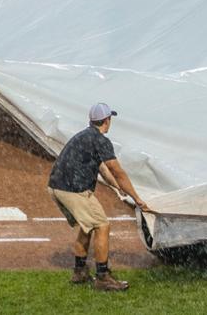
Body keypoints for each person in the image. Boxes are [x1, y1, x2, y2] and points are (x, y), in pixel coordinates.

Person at [47, 103, 152, 291]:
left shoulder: (83, 136)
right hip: (74, 190)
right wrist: (136, 198)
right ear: (107, 120)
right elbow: (117, 171)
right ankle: (102, 278)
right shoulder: (100, 140)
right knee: (102, 225)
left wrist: (118, 188)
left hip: (56, 187)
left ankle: (79, 272)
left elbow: (103, 169)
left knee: (86, 227)